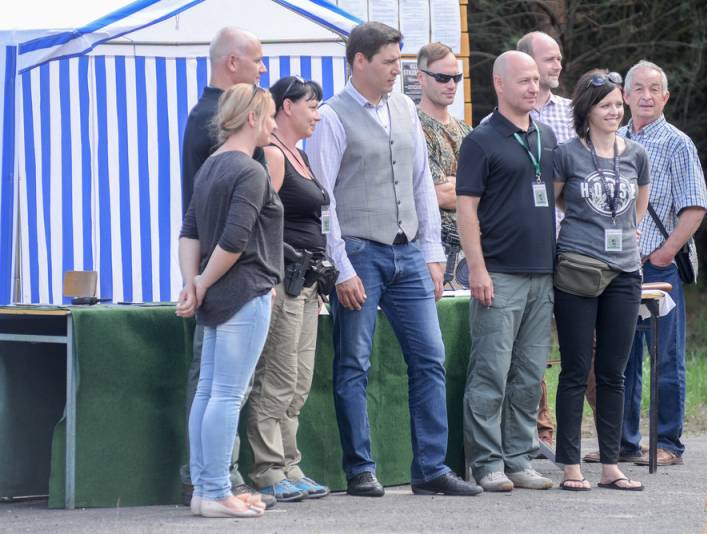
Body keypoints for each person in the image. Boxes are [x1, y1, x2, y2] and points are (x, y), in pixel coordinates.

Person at [306, 21, 481, 498]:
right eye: (387, 62)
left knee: (430, 358)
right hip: (360, 251)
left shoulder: (404, 107)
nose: (394, 71)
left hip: (408, 252)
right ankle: (360, 469)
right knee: (354, 364)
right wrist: (341, 267)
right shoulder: (332, 117)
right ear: (359, 61)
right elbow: (324, 201)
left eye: (398, 62)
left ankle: (431, 468)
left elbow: (422, 183)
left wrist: (432, 253)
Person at [176, 83, 283, 517]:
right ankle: (218, 490)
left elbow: (190, 231)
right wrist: (200, 283)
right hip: (244, 290)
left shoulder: (210, 166)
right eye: (270, 116)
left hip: (217, 292)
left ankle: (205, 489)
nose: (274, 125)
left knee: (208, 392)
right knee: (226, 394)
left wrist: (193, 283)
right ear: (253, 117)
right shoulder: (250, 170)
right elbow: (235, 241)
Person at [457, 51, 557, 492]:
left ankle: (519, 458)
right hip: (499, 274)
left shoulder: (546, 136)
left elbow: (556, 197)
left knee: (529, 375)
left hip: (542, 274)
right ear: (499, 84)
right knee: (491, 373)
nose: (534, 87)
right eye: (524, 81)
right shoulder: (481, 141)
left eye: (536, 80)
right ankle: (486, 462)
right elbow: (466, 210)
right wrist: (477, 269)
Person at [552, 69, 650, 491]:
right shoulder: (567, 154)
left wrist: (622, 233)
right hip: (578, 268)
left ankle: (611, 464)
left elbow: (638, 208)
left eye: (617, 104)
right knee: (576, 369)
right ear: (587, 110)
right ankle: (570, 465)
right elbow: (557, 200)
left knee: (613, 371)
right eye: (605, 105)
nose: (614, 111)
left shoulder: (636, 154)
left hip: (625, 272)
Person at [619, 60, 707, 467]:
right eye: (638, 88)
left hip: (658, 268)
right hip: (619, 268)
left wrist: (665, 253)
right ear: (625, 95)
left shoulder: (677, 143)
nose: (646, 96)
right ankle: (623, 443)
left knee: (665, 357)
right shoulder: (614, 139)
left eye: (654, 89)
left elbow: (695, 207)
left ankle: (668, 443)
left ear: (666, 97)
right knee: (620, 358)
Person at [245, 76, 330, 502]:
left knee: (298, 380)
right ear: (287, 107)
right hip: (284, 280)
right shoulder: (274, 155)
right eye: (311, 106)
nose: (317, 115)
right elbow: (260, 220)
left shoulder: (301, 155)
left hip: (309, 283)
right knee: (277, 377)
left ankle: (290, 464)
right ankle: (267, 468)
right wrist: (272, 273)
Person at [516, 30, 575, 449]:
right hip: (529, 250)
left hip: (574, 249)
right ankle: (541, 433)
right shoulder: (502, 122)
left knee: (585, 345)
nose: (558, 65)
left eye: (558, 58)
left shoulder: (574, 114)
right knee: (531, 346)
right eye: (550, 58)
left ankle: (612, 437)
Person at [416, 42, 471, 285]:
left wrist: (455, 184)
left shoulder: (466, 129)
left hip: (471, 249)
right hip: (433, 251)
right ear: (421, 77)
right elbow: (438, 194)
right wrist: (474, 188)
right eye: (442, 78)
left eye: (456, 78)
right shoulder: (414, 127)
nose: (451, 85)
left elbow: (493, 188)